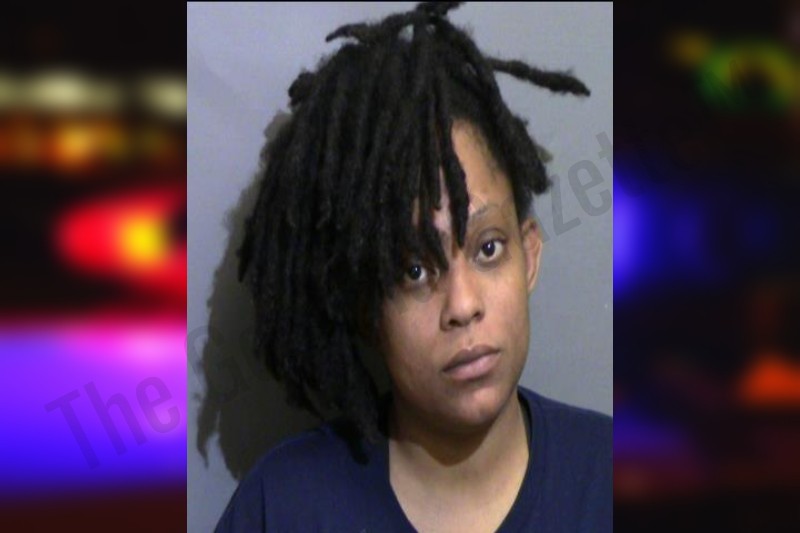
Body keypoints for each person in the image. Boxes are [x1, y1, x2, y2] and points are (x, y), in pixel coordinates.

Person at [216, 2, 611, 531]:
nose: (463, 305)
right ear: (364, 308)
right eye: (415, 271)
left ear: (530, 255)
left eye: (488, 249)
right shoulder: (283, 507)